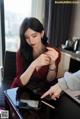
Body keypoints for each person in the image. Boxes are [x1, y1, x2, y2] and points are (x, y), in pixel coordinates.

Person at [11, 17, 61, 90]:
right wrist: (34, 64)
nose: (31, 41)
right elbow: (21, 83)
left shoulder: (54, 52)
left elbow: (50, 80)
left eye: (34, 36)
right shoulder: (21, 52)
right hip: (21, 90)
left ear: (42, 34)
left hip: (40, 91)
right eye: (27, 37)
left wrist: (52, 63)